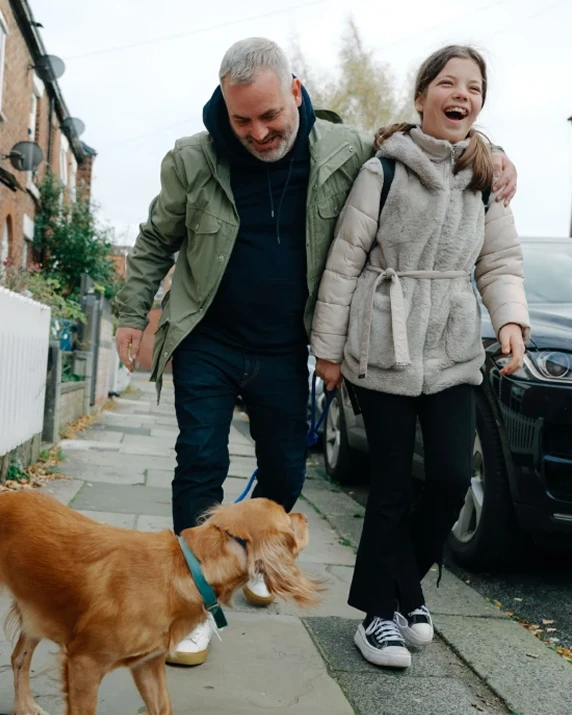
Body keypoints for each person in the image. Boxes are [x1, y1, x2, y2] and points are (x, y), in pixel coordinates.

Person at [114, 38, 518, 667]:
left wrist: (495, 157)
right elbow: (154, 239)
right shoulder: (194, 158)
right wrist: (131, 314)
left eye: (269, 115)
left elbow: (422, 147)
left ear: (296, 92)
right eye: (241, 119)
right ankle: (189, 608)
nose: (257, 132)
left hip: (283, 347)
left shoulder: (344, 148)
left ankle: (253, 555)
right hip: (209, 339)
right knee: (199, 460)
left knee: (284, 473)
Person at [311, 44, 529, 670]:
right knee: (387, 487)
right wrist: (327, 351)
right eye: (448, 83)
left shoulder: (485, 178)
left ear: (479, 104)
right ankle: (379, 616)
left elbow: (499, 262)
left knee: (452, 480)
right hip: (383, 343)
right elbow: (346, 260)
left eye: (474, 88)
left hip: (454, 347)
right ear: (421, 95)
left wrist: (510, 320)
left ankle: (402, 588)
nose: (461, 94)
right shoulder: (382, 171)